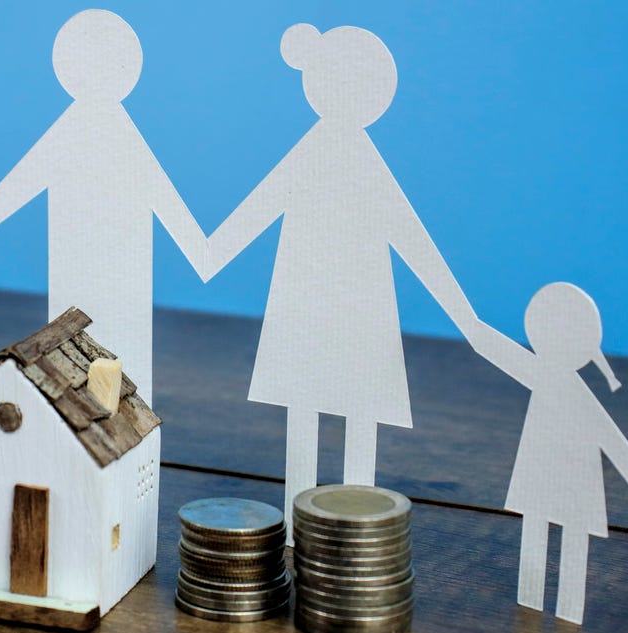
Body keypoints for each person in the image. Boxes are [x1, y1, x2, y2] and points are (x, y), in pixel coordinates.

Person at [199, 25, 478, 533]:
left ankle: (351, 530)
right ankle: (309, 530)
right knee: (317, 408)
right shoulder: (320, 154)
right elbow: (262, 206)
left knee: (350, 408)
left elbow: (411, 238)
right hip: (311, 303)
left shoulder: (348, 158)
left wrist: (208, 253)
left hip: (348, 307)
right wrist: (209, 252)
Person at [0, 9, 209, 402]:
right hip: (80, 288)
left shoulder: (110, 139)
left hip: (122, 290)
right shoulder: (82, 137)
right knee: (80, 381)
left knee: (119, 387)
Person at [468, 282, 628, 624]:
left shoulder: (568, 389)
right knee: (542, 527)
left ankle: (564, 606)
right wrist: (468, 322)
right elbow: (487, 344)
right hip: (546, 473)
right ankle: (536, 597)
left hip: (573, 480)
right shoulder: (550, 377)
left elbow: (616, 445)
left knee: (569, 536)